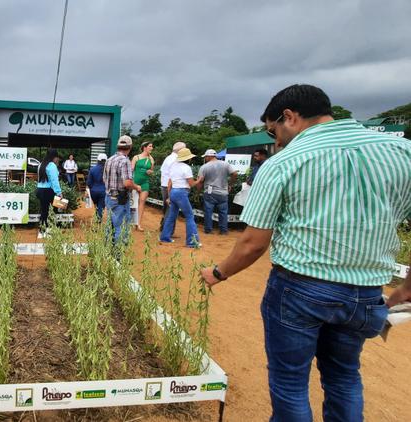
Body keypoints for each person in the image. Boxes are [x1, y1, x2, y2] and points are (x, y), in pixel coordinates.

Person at [200, 84, 411, 422]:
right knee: (344, 377)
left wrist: (218, 272)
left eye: (274, 131)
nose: (276, 141)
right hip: (367, 293)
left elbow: (254, 242)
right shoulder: (402, 152)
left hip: (300, 290)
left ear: (290, 117)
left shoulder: (285, 161)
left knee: (290, 383)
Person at [159, 148, 201, 247]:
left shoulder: (173, 166)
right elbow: (191, 184)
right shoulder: (187, 168)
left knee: (172, 216)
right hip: (181, 193)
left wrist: (169, 196)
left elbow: (169, 183)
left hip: (173, 192)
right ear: (188, 159)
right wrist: (199, 180)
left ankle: (165, 237)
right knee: (190, 216)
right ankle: (192, 242)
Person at [104, 135, 141, 245]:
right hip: (120, 199)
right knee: (121, 225)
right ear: (130, 147)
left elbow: (104, 179)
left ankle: (107, 248)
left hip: (109, 196)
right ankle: (118, 253)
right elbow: (127, 183)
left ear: (118, 146)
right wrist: (136, 187)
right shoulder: (125, 161)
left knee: (109, 224)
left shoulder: (109, 160)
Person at [196, 149, 237, 235]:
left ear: (209, 156)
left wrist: (198, 192)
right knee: (223, 212)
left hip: (209, 193)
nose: (205, 158)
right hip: (223, 192)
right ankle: (223, 230)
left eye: (206, 157)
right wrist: (230, 184)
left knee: (208, 212)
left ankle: (208, 230)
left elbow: (200, 181)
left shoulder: (204, 167)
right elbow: (235, 174)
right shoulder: (226, 164)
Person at [159, 141, 186, 234]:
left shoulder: (168, 158)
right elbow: (175, 176)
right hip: (171, 187)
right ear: (181, 150)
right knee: (172, 210)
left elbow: (162, 173)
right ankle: (168, 232)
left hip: (164, 186)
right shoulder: (177, 159)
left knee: (167, 208)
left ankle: (164, 228)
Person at [36, 148, 62, 237]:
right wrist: (59, 192)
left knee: (44, 211)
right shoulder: (52, 166)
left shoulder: (40, 165)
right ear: (54, 157)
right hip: (49, 191)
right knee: (52, 211)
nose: (57, 159)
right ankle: (49, 231)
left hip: (40, 190)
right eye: (57, 157)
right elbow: (54, 180)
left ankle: (41, 232)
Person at [131, 141, 155, 231]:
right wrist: (132, 184)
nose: (152, 148)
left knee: (142, 202)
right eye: (150, 146)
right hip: (134, 183)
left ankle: (138, 224)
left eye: (152, 146)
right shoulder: (136, 157)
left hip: (145, 182)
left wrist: (150, 172)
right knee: (132, 202)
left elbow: (151, 171)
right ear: (144, 147)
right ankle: (130, 221)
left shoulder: (151, 159)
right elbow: (131, 170)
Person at [86, 153, 107, 220]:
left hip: (93, 191)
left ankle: (97, 218)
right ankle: (98, 220)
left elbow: (89, 182)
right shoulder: (107, 170)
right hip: (104, 191)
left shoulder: (92, 169)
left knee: (97, 206)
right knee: (101, 206)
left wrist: (92, 188)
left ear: (97, 160)